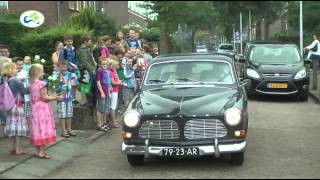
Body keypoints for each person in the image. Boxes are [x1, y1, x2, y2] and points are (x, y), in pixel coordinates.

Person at [29, 64, 62, 159]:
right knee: (43, 128)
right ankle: (42, 152)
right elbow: (44, 97)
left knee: (37, 128)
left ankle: (38, 151)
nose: (43, 73)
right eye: (42, 71)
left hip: (34, 107)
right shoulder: (41, 83)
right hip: (42, 108)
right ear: (37, 72)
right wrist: (55, 97)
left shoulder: (31, 84)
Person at [2, 62, 29, 155]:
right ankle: (18, 149)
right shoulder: (16, 80)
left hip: (9, 106)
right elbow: (25, 91)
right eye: (15, 67)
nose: (17, 68)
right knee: (18, 128)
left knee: (12, 126)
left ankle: (12, 148)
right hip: (17, 106)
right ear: (11, 69)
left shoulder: (6, 79)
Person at [54, 60, 78, 138]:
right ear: (58, 67)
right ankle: (64, 131)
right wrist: (56, 93)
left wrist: (75, 68)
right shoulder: (56, 75)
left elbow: (78, 76)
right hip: (61, 98)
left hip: (69, 97)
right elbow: (54, 86)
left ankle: (69, 129)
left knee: (69, 114)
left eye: (65, 67)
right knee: (63, 115)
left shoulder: (70, 74)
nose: (63, 68)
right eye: (61, 67)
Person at [59, 36, 80, 105]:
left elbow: (77, 59)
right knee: (67, 84)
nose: (69, 43)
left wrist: (75, 66)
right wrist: (68, 67)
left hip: (74, 70)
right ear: (65, 42)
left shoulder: (74, 50)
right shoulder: (63, 51)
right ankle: (67, 98)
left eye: (70, 41)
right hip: (66, 70)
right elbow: (62, 60)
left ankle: (73, 98)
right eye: (68, 41)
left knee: (74, 84)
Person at [77, 35, 97, 106]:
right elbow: (85, 62)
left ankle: (85, 100)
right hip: (86, 70)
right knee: (85, 85)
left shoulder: (86, 49)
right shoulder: (83, 50)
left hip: (87, 70)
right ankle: (84, 100)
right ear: (85, 41)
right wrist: (92, 70)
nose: (91, 43)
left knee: (85, 85)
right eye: (90, 41)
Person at [14, 57, 32, 131]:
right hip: (17, 98)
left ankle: (29, 129)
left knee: (28, 114)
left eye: (22, 65)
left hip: (27, 97)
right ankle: (19, 130)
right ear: (14, 64)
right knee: (19, 114)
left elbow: (29, 83)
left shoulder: (25, 72)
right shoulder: (12, 73)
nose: (20, 66)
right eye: (18, 65)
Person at [96, 57, 112, 131]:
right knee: (100, 109)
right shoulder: (99, 72)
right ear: (99, 64)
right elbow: (98, 82)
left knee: (105, 109)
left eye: (105, 64)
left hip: (106, 92)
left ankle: (103, 123)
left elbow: (108, 83)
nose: (104, 65)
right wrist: (102, 92)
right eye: (103, 64)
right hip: (101, 93)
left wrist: (109, 92)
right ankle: (99, 124)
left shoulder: (107, 72)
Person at [109, 58, 125, 128]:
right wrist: (119, 82)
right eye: (117, 65)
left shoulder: (114, 71)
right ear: (113, 66)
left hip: (116, 90)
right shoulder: (111, 72)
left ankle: (113, 120)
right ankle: (113, 121)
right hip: (113, 91)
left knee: (114, 106)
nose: (118, 66)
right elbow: (113, 82)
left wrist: (119, 82)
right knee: (113, 106)